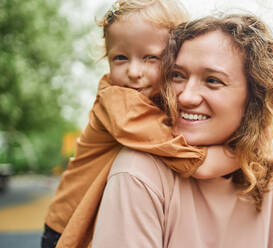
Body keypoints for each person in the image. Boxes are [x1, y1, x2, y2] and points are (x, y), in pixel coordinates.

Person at [93, 14, 273, 247]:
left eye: (213, 80)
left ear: (253, 97)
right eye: (178, 76)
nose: (186, 96)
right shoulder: (139, 172)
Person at [42, 1, 239, 247]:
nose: (134, 71)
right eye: (120, 58)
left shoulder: (162, 97)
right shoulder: (117, 101)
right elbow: (188, 157)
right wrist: (239, 154)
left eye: (150, 58)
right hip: (69, 224)